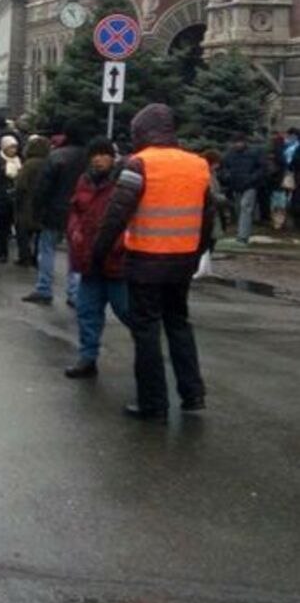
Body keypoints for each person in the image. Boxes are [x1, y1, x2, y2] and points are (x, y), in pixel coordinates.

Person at [93, 104, 213, 420]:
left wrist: (98, 252)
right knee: (179, 324)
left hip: (145, 260)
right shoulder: (198, 164)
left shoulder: (139, 165)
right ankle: (193, 394)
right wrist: (196, 253)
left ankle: (153, 403)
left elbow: (116, 214)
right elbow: (208, 217)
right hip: (182, 261)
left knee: (146, 332)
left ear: (142, 132)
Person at [64, 138, 129, 378]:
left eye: (103, 154)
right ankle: (87, 358)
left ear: (113, 157)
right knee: (87, 311)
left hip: (116, 260)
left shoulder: (123, 182)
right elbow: (75, 211)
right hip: (89, 260)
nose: (98, 159)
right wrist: (74, 231)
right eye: (94, 155)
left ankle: (149, 354)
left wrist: (120, 244)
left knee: (126, 310)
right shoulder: (85, 181)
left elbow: (130, 217)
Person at [25, 123, 88, 306]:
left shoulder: (56, 156)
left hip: (54, 211)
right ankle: (75, 293)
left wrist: (37, 210)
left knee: (47, 250)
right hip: (79, 213)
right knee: (75, 253)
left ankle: (44, 288)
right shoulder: (89, 158)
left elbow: (42, 188)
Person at [219, 132, 265, 245]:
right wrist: (226, 176)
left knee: (246, 207)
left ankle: (243, 237)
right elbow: (223, 168)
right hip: (236, 185)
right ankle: (241, 233)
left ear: (244, 142)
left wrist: (252, 178)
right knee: (240, 209)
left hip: (250, 185)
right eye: (235, 142)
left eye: (239, 142)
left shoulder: (254, 153)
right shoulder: (229, 154)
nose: (237, 145)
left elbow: (262, 168)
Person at [14, 136, 50, 266]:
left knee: (23, 233)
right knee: (40, 234)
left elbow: (21, 185)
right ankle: (37, 257)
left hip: (27, 202)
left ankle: (24, 257)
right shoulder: (49, 162)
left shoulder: (29, 164)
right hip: (43, 203)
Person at [0, 136, 22, 263]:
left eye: (15, 147)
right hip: (2, 199)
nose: (13, 150)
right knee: (2, 228)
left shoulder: (19, 160)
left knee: (17, 227)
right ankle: (2, 253)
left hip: (16, 198)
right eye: (11, 147)